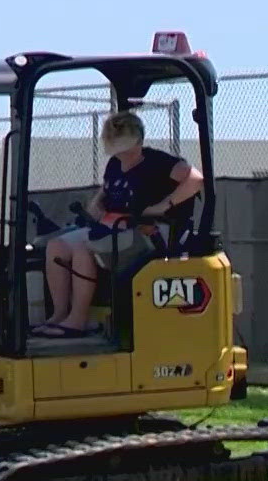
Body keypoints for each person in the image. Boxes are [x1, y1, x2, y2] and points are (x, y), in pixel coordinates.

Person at [35, 111, 203, 337]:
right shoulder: (115, 164)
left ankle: (78, 319)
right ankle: (60, 314)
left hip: (149, 232)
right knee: (56, 245)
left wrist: (163, 206)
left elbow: (195, 180)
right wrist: (97, 204)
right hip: (114, 228)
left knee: (84, 246)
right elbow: (107, 191)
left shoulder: (157, 162)